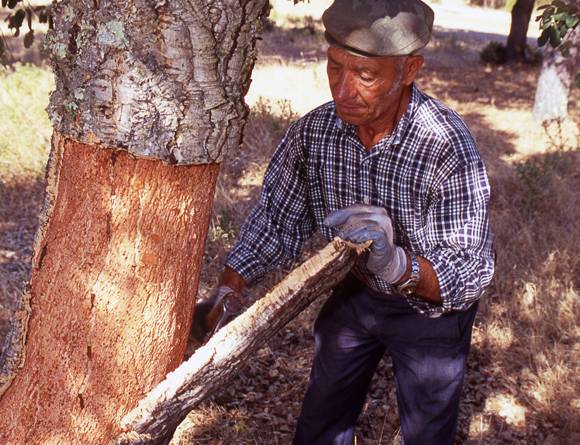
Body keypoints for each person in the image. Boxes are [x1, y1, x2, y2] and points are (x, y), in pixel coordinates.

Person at [191, 0, 495, 443]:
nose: (343, 90)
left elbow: (467, 270)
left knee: (428, 431)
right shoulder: (315, 134)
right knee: (322, 420)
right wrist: (226, 290)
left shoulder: (444, 145)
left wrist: (397, 265)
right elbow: (276, 219)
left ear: (409, 70)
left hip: (431, 309)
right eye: (335, 68)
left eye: (366, 75)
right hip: (357, 293)